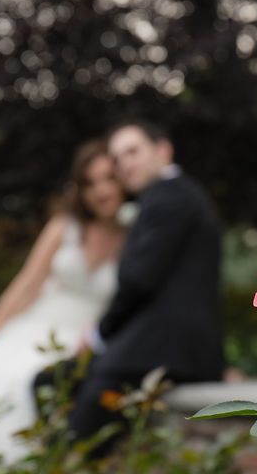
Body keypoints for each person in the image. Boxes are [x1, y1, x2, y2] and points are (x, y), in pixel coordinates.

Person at [0, 140, 126, 473]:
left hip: (85, 337)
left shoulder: (136, 234)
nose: (101, 191)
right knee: (2, 375)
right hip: (36, 326)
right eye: (90, 183)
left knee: (42, 381)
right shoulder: (65, 227)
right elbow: (24, 287)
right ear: (80, 188)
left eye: (109, 179)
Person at [33, 119, 224, 456]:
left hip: (158, 351)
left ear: (163, 150)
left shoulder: (168, 196)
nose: (125, 165)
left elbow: (138, 281)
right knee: (47, 381)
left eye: (133, 151)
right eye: (118, 159)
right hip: (153, 346)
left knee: (75, 447)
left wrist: (99, 335)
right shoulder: (175, 194)